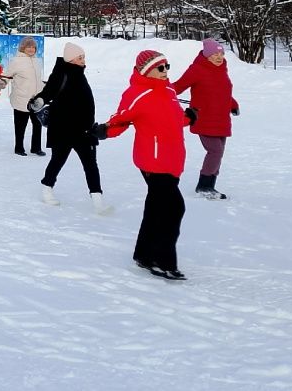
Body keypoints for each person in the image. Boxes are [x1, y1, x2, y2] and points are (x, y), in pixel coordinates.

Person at [98, 49, 194, 280]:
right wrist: (103, 131)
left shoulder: (169, 90)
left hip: (172, 159)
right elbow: (120, 120)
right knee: (173, 209)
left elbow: (171, 119)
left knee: (156, 208)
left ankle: (143, 254)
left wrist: (189, 118)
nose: (165, 72)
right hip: (153, 160)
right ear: (146, 70)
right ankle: (163, 262)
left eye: (167, 66)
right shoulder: (136, 93)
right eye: (160, 68)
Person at [32, 42, 111, 213]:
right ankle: (46, 189)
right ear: (70, 59)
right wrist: (39, 101)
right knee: (58, 161)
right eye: (80, 57)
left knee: (91, 165)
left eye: (83, 57)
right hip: (63, 128)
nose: (83, 60)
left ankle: (98, 201)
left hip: (84, 130)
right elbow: (49, 91)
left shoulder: (79, 73)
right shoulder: (61, 73)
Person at [171, 38, 240, 200]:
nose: (219, 57)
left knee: (218, 152)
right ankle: (204, 186)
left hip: (221, 119)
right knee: (214, 151)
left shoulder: (222, 69)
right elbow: (179, 86)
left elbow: (223, 92)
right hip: (203, 117)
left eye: (221, 53)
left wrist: (233, 104)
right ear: (206, 55)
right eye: (214, 54)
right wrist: (160, 91)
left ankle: (210, 184)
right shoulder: (197, 69)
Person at [0, 36, 45, 156]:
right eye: (28, 47)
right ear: (23, 48)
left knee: (37, 124)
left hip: (35, 99)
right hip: (21, 98)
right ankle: (19, 147)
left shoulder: (37, 61)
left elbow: (37, 79)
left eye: (33, 47)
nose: (31, 49)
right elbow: (7, 76)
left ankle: (36, 148)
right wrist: (2, 82)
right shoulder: (16, 61)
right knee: (21, 125)